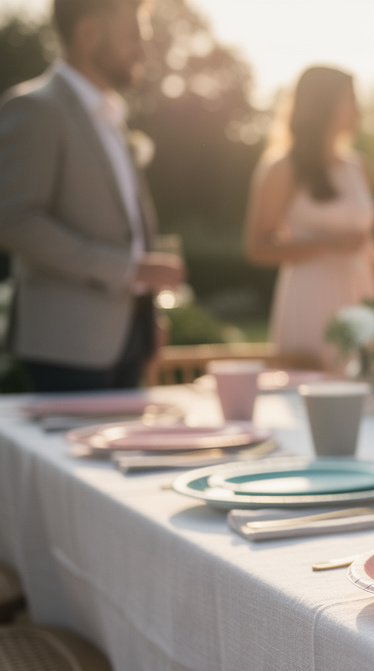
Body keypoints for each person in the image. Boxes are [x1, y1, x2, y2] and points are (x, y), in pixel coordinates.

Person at [0, 0, 186, 392]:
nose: (143, 51)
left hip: (128, 339)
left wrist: (146, 314)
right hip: (68, 344)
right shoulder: (37, 108)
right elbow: (14, 221)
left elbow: (126, 226)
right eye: (133, 37)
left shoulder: (112, 117)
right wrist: (127, 269)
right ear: (88, 34)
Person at [244, 65, 374, 372]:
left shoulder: (359, 167)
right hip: (311, 297)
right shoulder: (282, 168)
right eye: (351, 101)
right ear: (324, 105)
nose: (359, 111)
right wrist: (327, 244)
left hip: (360, 293)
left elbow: (370, 247)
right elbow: (257, 247)